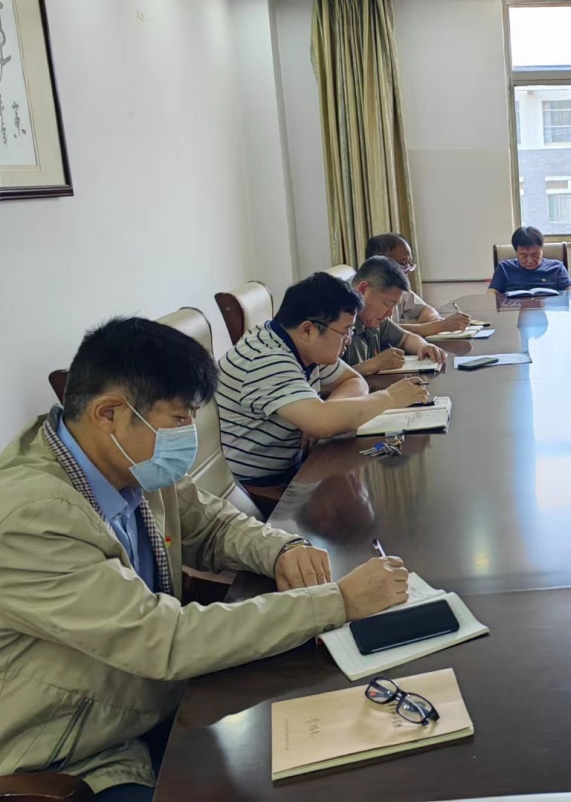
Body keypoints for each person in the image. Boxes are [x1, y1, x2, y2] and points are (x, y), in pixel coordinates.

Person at [0, 317, 409, 800]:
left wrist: (282, 549)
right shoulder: (33, 516)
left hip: (146, 702)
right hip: (73, 755)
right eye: (180, 418)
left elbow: (214, 524)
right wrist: (337, 601)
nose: (190, 433)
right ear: (108, 413)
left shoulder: (127, 464)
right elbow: (164, 639)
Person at [216, 272, 431, 487]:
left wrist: (327, 412)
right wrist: (391, 398)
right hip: (258, 486)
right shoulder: (267, 359)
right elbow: (323, 423)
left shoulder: (296, 341)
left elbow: (354, 381)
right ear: (308, 330)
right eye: (345, 331)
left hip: (295, 466)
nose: (348, 340)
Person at [344, 257, 446, 376]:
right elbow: (327, 382)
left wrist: (423, 346)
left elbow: (406, 338)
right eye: (387, 304)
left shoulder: (373, 320)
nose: (390, 313)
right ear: (363, 289)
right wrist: (372, 365)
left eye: (395, 305)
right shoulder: (339, 324)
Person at [365, 233, 471, 338]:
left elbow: (424, 309)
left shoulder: (398, 287)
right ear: (379, 264)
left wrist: (434, 320)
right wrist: (439, 326)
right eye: (403, 263)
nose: (408, 270)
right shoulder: (366, 292)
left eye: (409, 263)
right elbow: (384, 331)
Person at [489, 225, 571, 294]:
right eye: (523, 255)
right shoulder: (504, 268)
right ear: (516, 252)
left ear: (542, 250)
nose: (530, 260)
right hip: (515, 309)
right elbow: (491, 295)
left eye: (535, 254)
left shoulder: (557, 268)